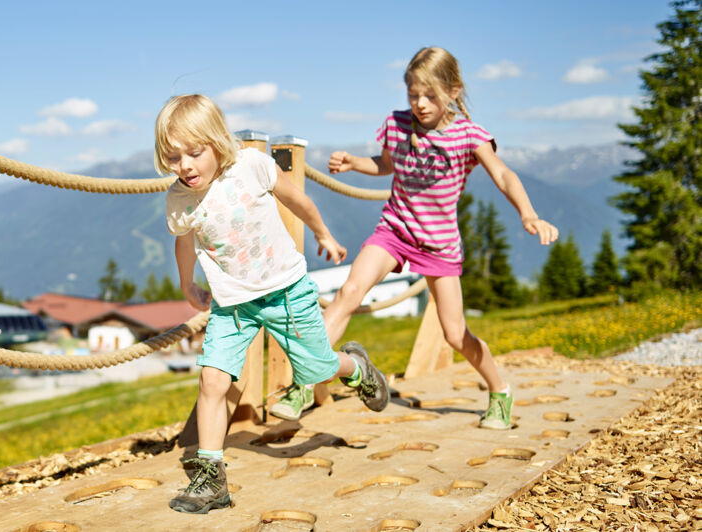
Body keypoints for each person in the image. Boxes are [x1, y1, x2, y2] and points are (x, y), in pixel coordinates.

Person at [299, 46, 560, 433]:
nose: (420, 104)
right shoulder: (397, 124)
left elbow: (503, 175)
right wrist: (355, 163)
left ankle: (500, 389)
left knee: (455, 334)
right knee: (348, 292)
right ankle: (309, 377)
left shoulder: (468, 136)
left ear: (454, 91)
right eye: (413, 95)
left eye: (430, 96)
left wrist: (529, 214)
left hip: (438, 246)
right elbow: (388, 164)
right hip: (395, 230)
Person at [156, 94, 390, 514]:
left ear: (217, 142)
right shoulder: (180, 199)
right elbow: (185, 242)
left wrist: (323, 234)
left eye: (194, 153)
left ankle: (356, 367)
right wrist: (187, 285)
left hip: (285, 290)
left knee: (317, 368)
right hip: (232, 304)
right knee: (212, 381)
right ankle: (212, 480)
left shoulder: (251, 165)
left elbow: (297, 200)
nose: (185, 166)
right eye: (173, 157)